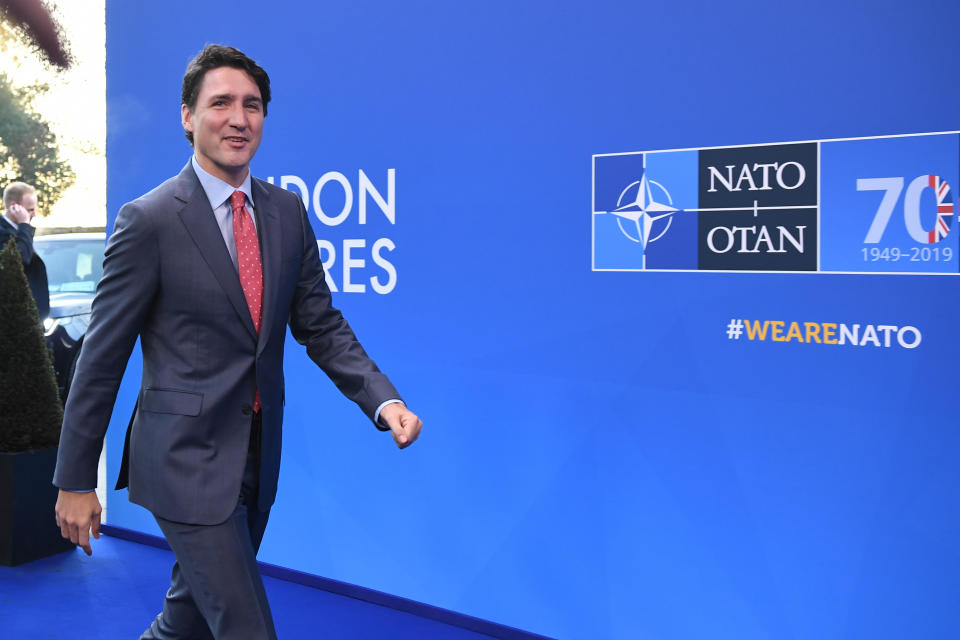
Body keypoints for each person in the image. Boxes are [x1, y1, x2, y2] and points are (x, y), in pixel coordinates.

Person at [52, 44, 422, 640]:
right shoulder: (148, 221)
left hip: (254, 457)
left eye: (252, 105)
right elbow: (101, 358)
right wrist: (75, 479)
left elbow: (320, 324)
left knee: (187, 621)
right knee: (246, 629)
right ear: (187, 116)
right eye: (220, 102)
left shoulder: (287, 212)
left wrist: (383, 399)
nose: (238, 118)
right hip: (183, 461)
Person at [1, 181, 49, 321]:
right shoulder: (4, 231)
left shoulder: (19, 231)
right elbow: (20, 259)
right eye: (30, 209)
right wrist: (24, 225)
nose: (34, 214)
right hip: (13, 319)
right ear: (14, 206)